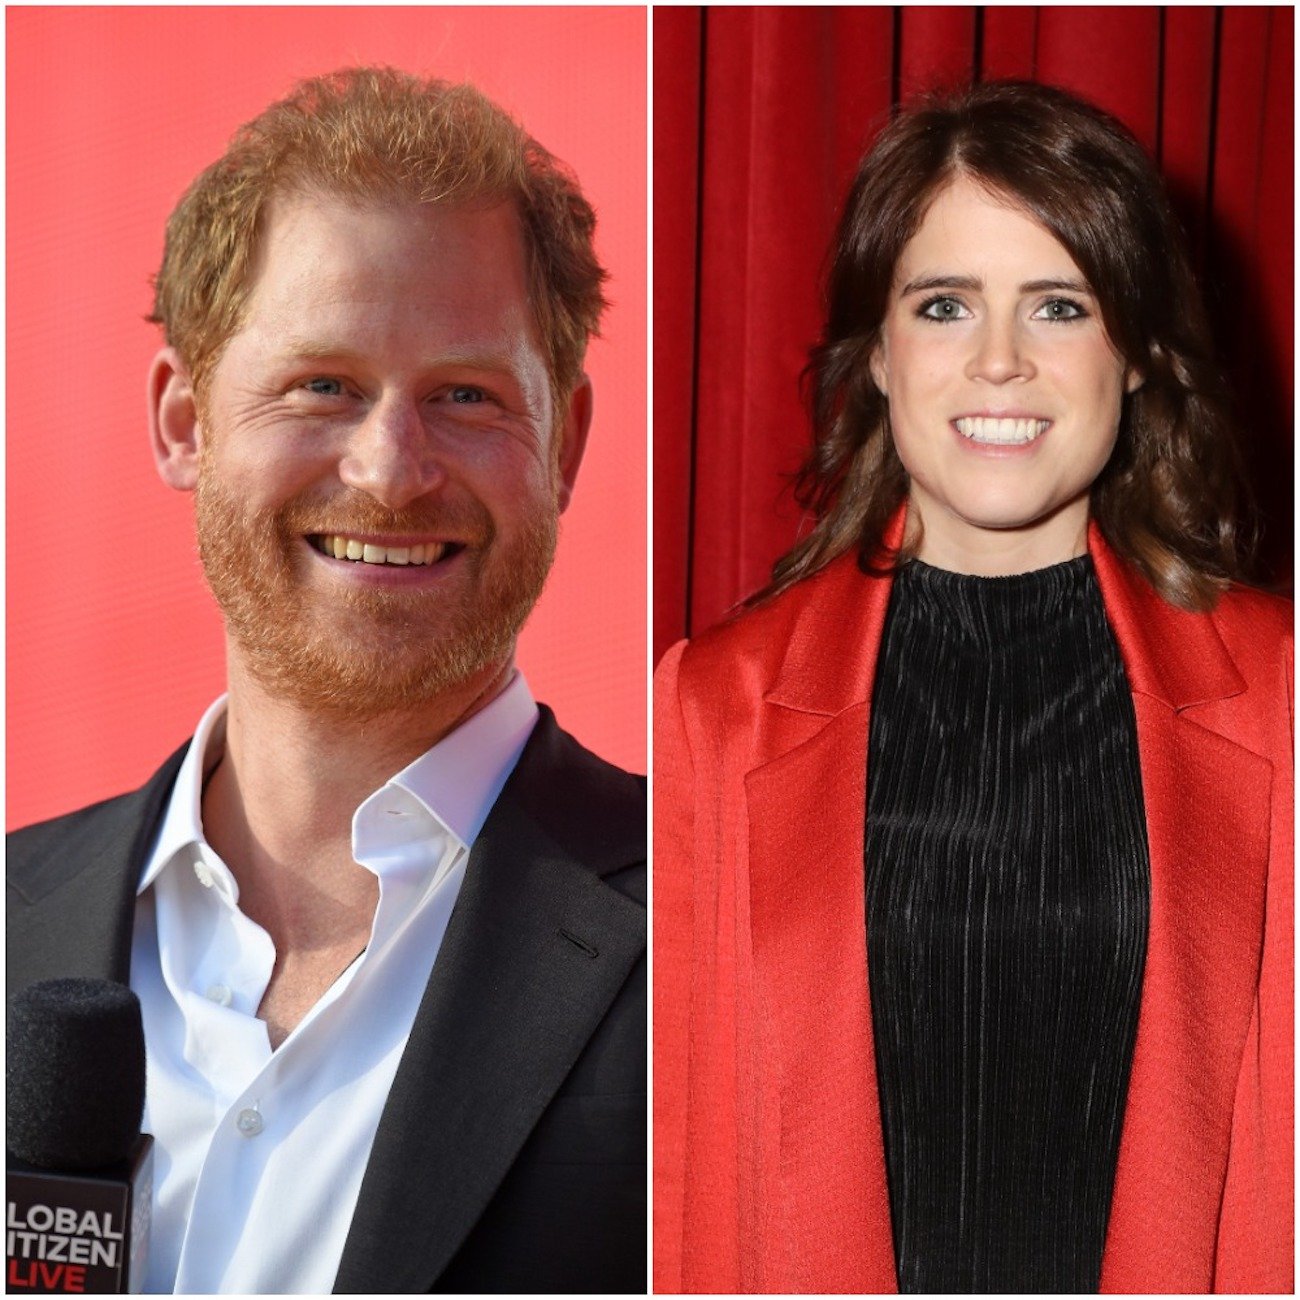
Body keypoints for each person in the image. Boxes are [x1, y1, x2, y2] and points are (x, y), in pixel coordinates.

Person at [8, 68, 645, 1295]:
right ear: (185, 422)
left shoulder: (714, 951)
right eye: (323, 385)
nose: (392, 470)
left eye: (465, 396)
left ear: (566, 441)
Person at [654, 80, 1291, 1295]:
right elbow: (682, 1189)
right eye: (943, 306)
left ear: (1142, 352)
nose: (998, 361)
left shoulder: (1281, 699)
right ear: (880, 355)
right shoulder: (710, 708)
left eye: (1059, 305)